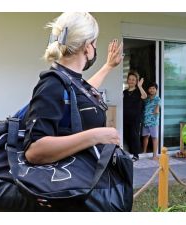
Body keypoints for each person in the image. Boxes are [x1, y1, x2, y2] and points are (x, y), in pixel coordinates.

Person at [23, 12, 123, 208]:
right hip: (64, 196)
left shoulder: (70, 80)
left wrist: (108, 66)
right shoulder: (51, 84)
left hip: (82, 189)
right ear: (87, 47)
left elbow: (83, 95)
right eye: (94, 43)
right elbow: (34, 151)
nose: (95, 48)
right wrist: (96, 135)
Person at [123, 71, 147, 162]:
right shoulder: (124, 92)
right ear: (127, 80)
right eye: (130, 79)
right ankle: (129, 152)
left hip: (135, 119)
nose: (131, 81)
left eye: (133, 80)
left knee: (134, 136)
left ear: (136, 81)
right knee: (126, 136)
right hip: (125, 118)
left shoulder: (138, 91)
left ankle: (136, 155)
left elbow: (144, 96)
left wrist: (140, 86)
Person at [142, 82, 161, 160]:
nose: (152, 90)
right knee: (145, 137)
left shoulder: (157, 98)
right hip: (145, 120)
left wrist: (157, 110)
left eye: (153, 88)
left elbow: (157, 108)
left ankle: (154, 155)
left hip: (153, 122)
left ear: (156, 90)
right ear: (148, 89)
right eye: (150, 88)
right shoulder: (146, 98)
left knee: (154, 137)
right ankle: (144, 152)